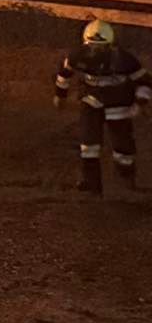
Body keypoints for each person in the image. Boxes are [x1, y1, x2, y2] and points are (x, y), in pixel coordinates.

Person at [54, 19, 152, 194]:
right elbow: (64, 74)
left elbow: (146, 82)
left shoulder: (124, 60)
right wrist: (60, 96)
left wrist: (140, 103)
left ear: (111, 45)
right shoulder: (77, 55)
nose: (96, 52)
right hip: (92, 101)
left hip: (120, 106)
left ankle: (127, 182)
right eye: (92, 46)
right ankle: (91, 185)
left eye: (100, 48)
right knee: (88, 143)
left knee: (123, 148)